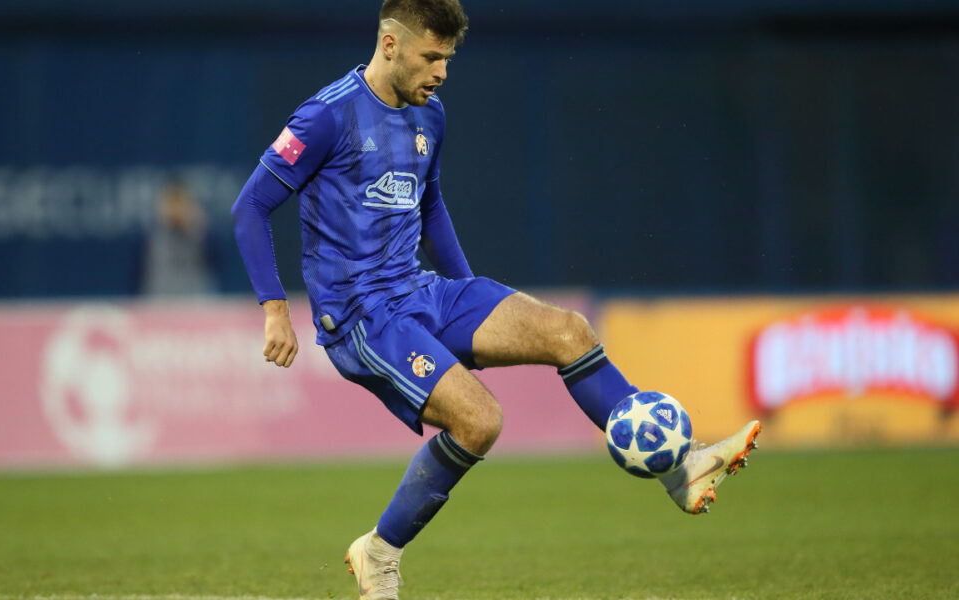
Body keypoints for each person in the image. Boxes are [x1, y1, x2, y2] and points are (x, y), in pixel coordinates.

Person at [231, 1, 760, 597]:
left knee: (569, 331)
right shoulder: (325, 117)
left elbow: (429, 208)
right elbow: (249, 208)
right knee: (481, 421)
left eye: (448, 59)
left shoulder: (430, 116)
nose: (441, 72)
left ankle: (682, 469)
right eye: (431, 57)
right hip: (361, 317)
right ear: (388, 44)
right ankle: (379, 552)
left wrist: (469, 294)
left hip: (421, 293)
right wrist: (275, 308)